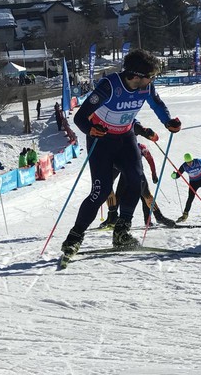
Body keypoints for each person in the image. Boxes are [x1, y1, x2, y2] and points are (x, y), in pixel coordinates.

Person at [59, 49, 182, 259]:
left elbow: (158, 105)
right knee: (102, 191)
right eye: (150, 76)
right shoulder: (109, 86)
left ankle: (121, 233)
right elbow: (80, 117)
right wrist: (90, 130)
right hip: (102, 140)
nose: (152, 80)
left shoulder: (146, 87)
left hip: (126, 139)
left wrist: (168, 122)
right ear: (135, 75)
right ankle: (74, 237)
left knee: (136, 182)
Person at [99, 139, 176, 228]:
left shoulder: (141, 147)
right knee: (116, 193)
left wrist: (154, 174)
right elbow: (112, 164)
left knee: (146, 196)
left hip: (136, 172)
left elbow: (150, 159)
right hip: (125, 173)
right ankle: (113, 216)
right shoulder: (118, 148)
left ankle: (158, 217)